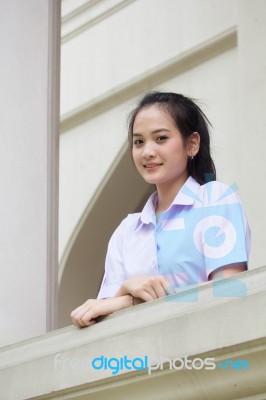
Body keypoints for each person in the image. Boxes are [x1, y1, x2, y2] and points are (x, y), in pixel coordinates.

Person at [71, 91, 250, 328]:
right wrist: (125, 292)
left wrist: (132, 298)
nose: (147, 152)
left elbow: (229, 286)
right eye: (139, 142)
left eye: (161, 138)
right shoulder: (127, 231)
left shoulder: (214, 200)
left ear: (192, 144)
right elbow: (104, 315)